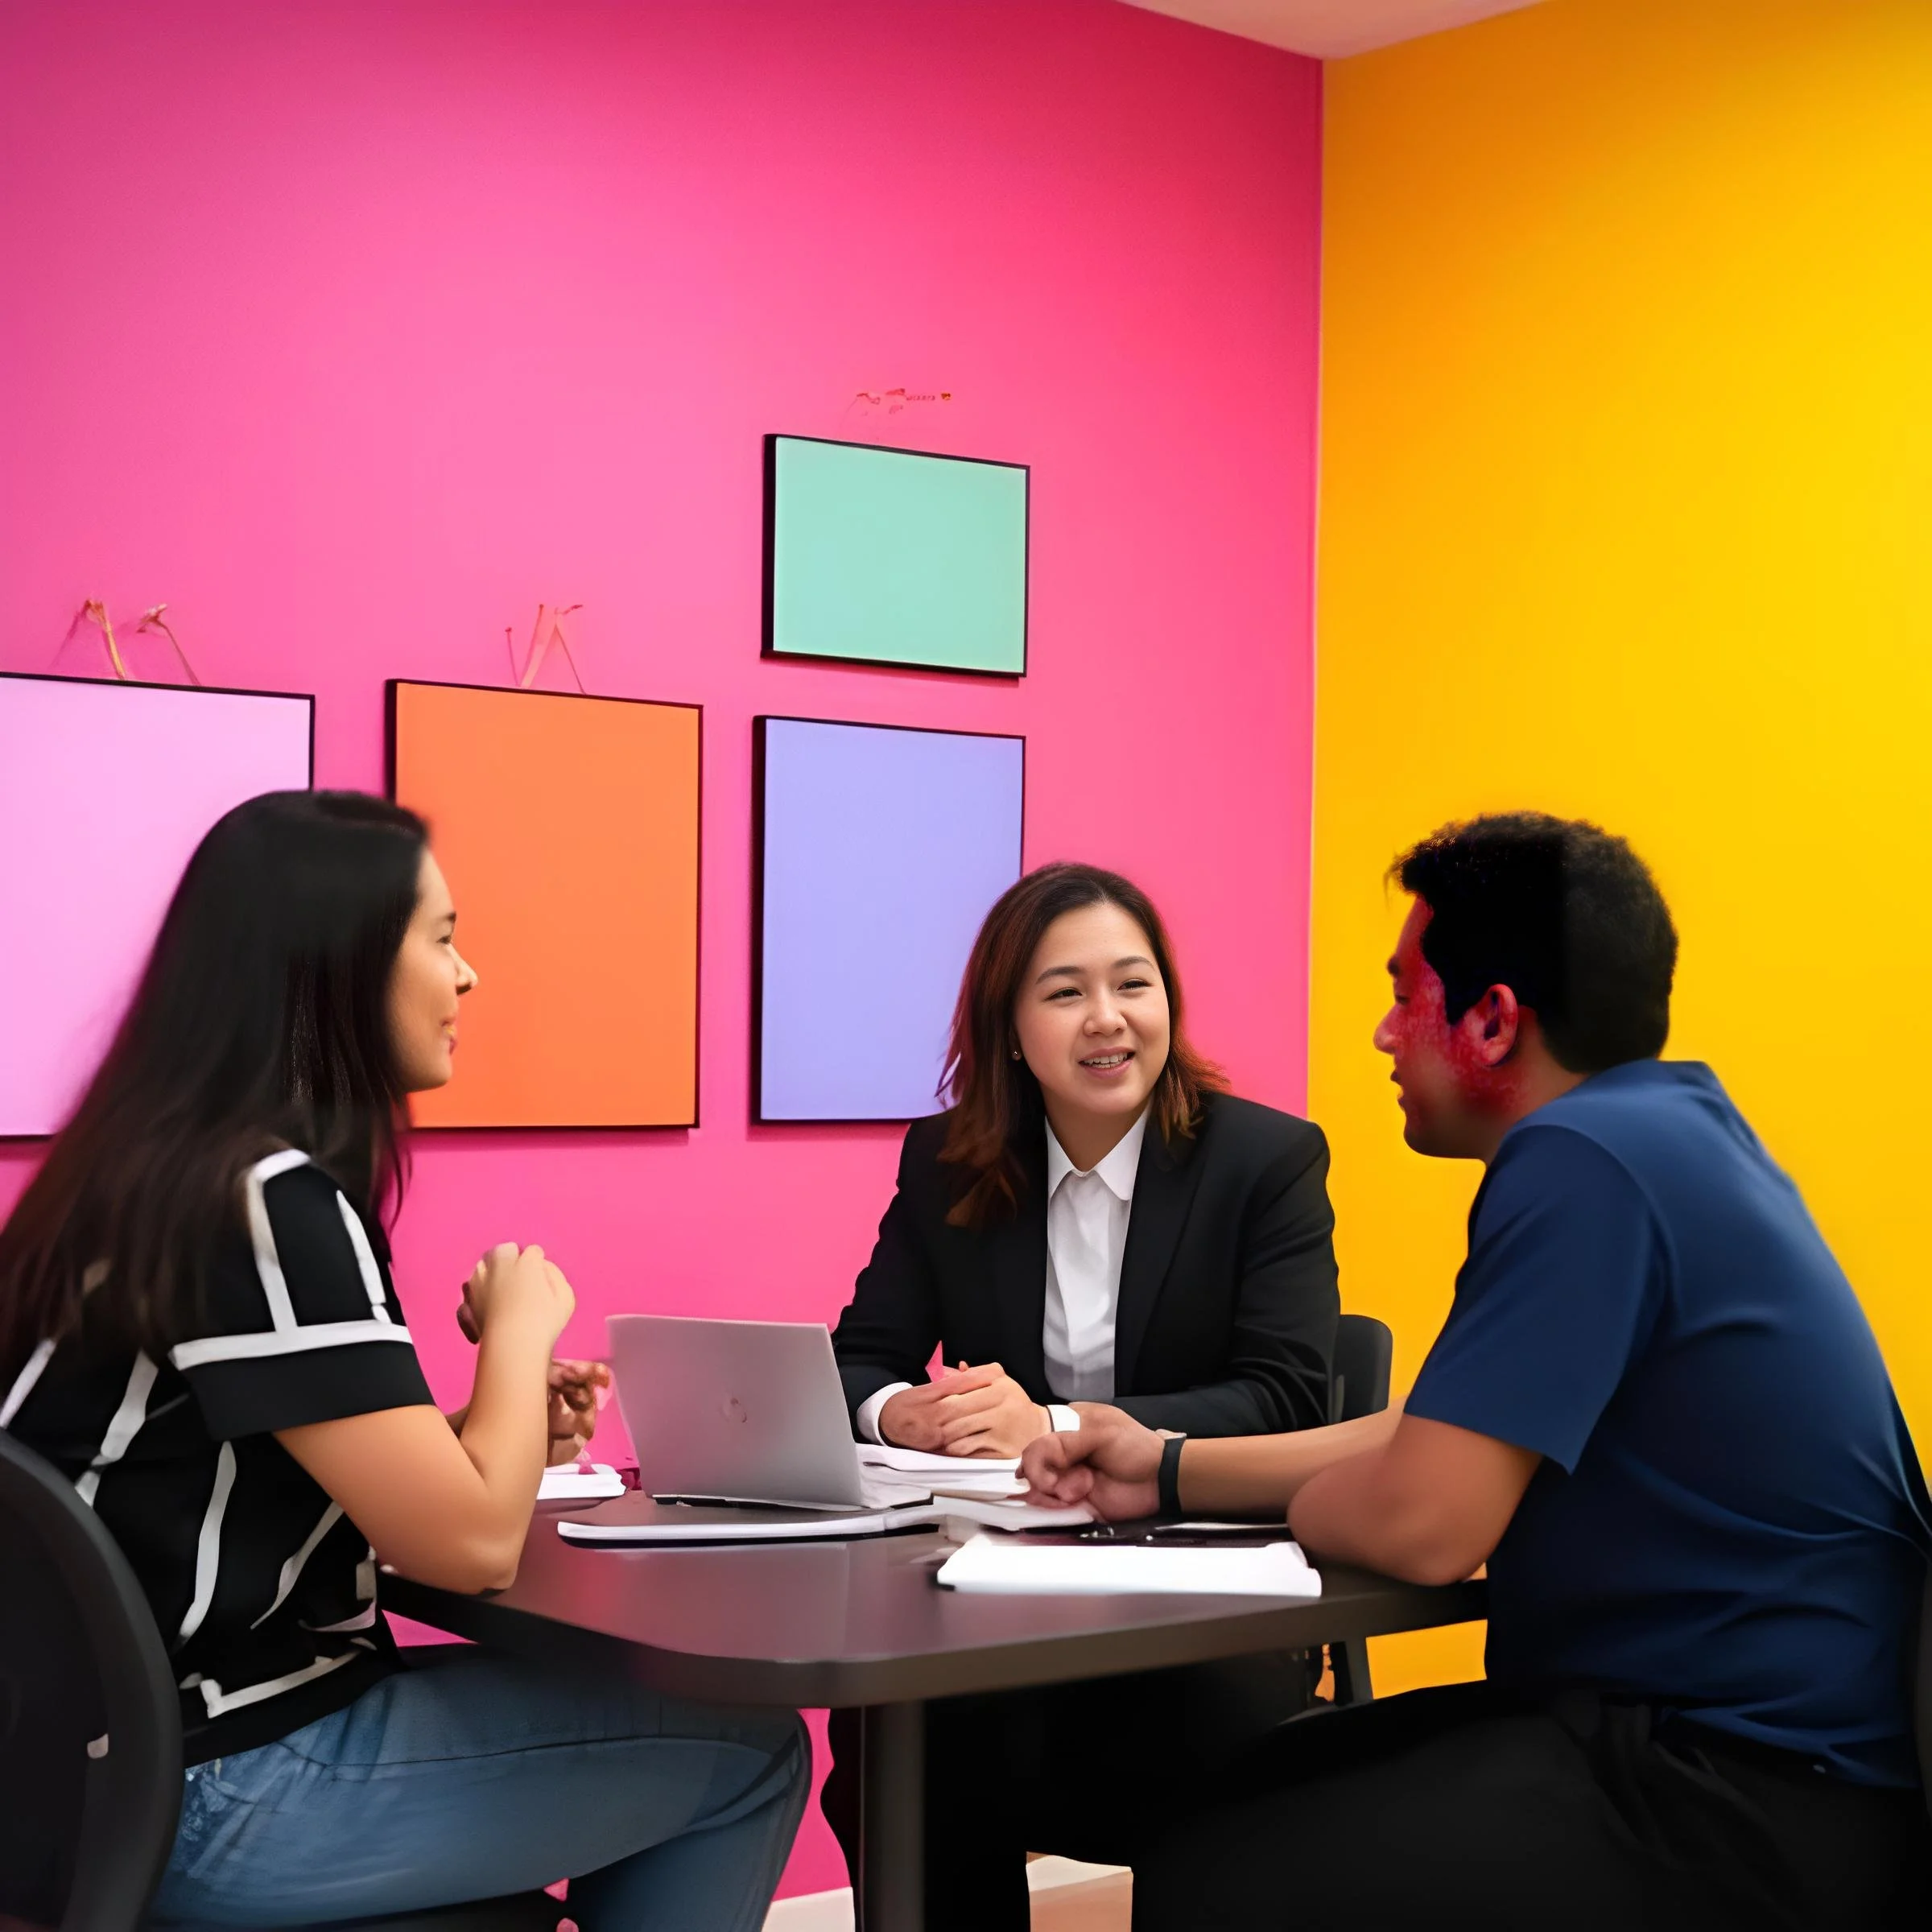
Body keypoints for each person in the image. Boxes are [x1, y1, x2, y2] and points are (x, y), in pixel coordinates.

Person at [1022, 812, 1932, 1931]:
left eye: (1406, 995)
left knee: (1222, 1872)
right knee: (1227, 1807)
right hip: (1717, 1743)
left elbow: (1424, 1521)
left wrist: (1311, 1506)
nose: (1381, 1035)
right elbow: (1436, 1432)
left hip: (1746, 1788)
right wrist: (1162, 1469)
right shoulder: (1663, 1131)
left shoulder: (1581, 1163)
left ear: (1493, 1020)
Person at [0, 791, 807, 1932]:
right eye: (438, 938)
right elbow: (470, 1546)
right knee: (752, 1751)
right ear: (332, 965)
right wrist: (520, 1332)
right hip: (212, 1784)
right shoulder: (266, 1203)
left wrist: (511, 1417)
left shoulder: (140, 1180)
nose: (467, 975)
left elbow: (340, 1487)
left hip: (74, 1784)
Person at [823, 861, 1341, 1928]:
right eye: (1065, 992)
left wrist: (1055, 1426)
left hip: (1206, 1584)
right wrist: (895, 1411)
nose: (1107, 1020)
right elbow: (856, 1361)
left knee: (1203, 1753)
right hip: (1002, 1585)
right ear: (1011, 1029)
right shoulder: (949, 1162)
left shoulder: (1265, 1161)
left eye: (1133, 985)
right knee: (894, 1734)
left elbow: (1290, 1398)